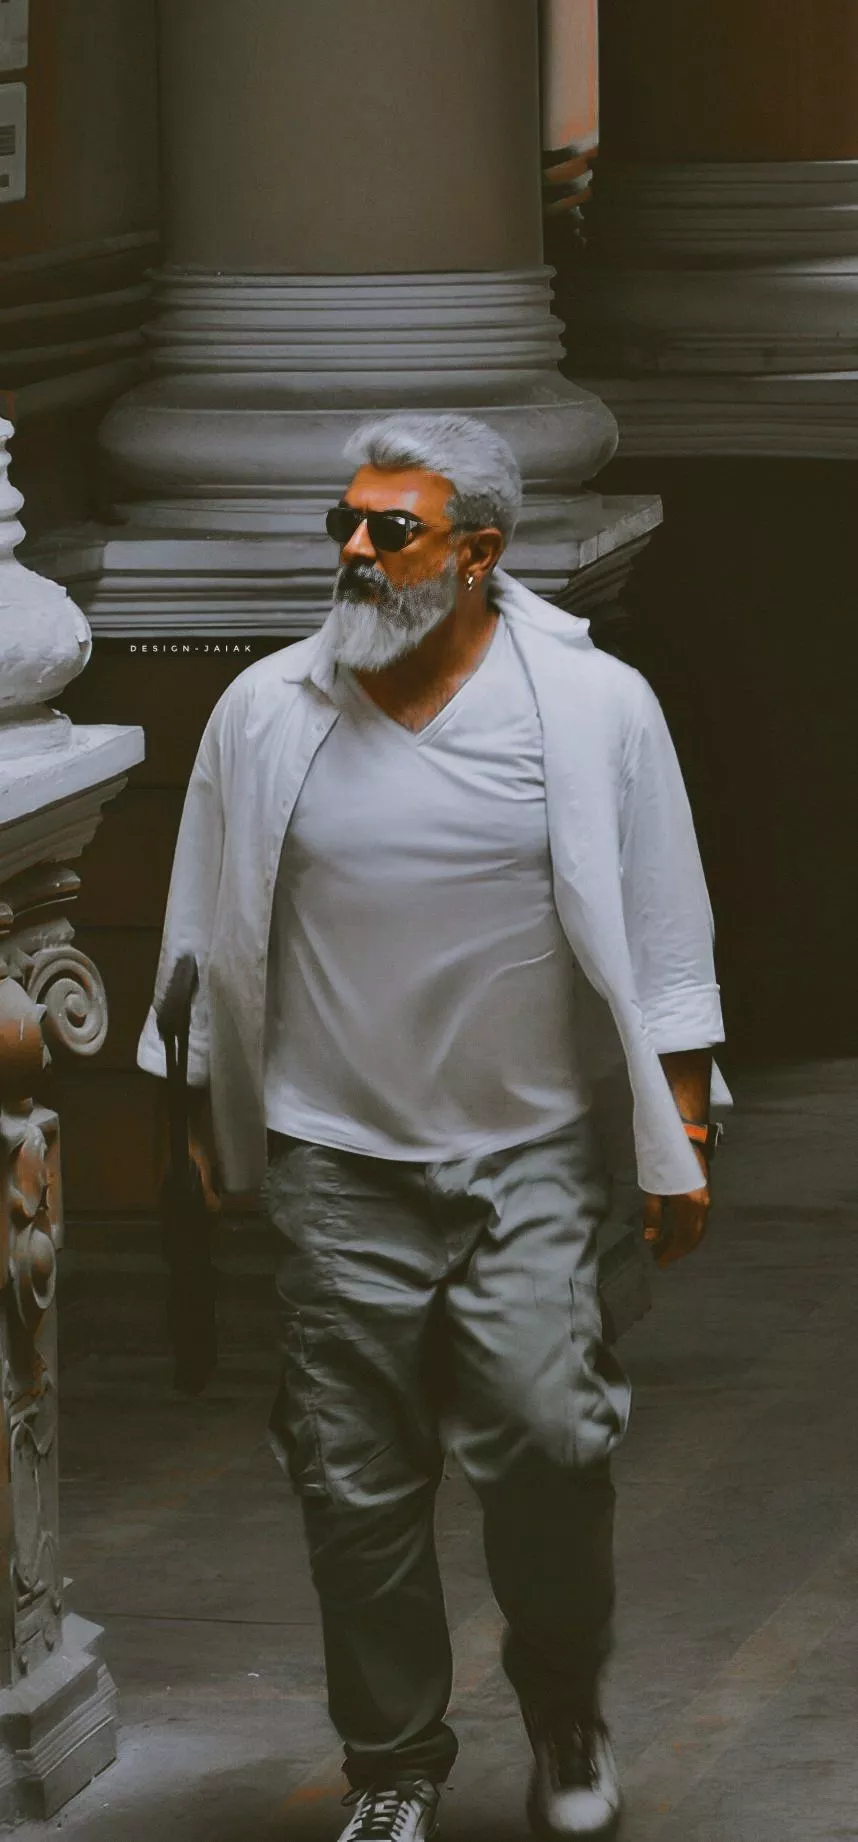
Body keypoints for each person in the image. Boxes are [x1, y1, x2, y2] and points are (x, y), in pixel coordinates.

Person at [138, 413, 726, 1842]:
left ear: (478, 552)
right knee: (352, 1480)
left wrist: (683, 1123)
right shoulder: (267, 710)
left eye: (389, 528)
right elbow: (203, 925)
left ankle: (564, 1704)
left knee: (551, 1442)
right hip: (335, 1158)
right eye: (343, 521)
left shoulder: (590, 707)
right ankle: (392, 1765)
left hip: (531, 1152)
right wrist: (197, 1110)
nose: (353, 548)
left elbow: (663, 922)